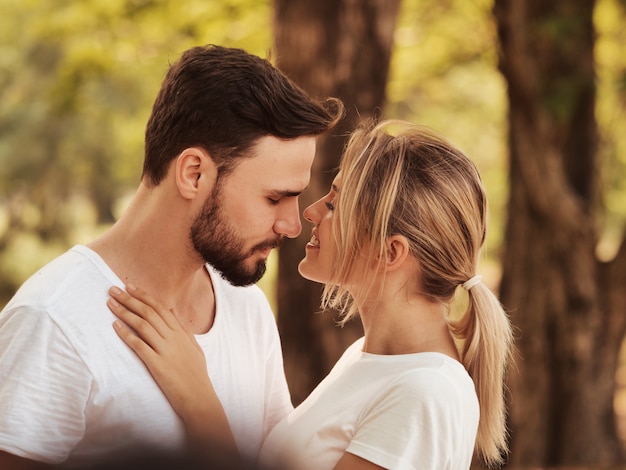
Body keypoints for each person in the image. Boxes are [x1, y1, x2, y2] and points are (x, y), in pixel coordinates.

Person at [0, 44, 343, 468]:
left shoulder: (246, 309)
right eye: (275, 198)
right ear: (193, 173)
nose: (291, 225)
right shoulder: (54, 321)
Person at [107, 118, 514, 470]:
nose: (311, 211)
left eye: (335, 205)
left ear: (390, 252)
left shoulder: (424, 393)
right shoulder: (370, 360)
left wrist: (199, 403)